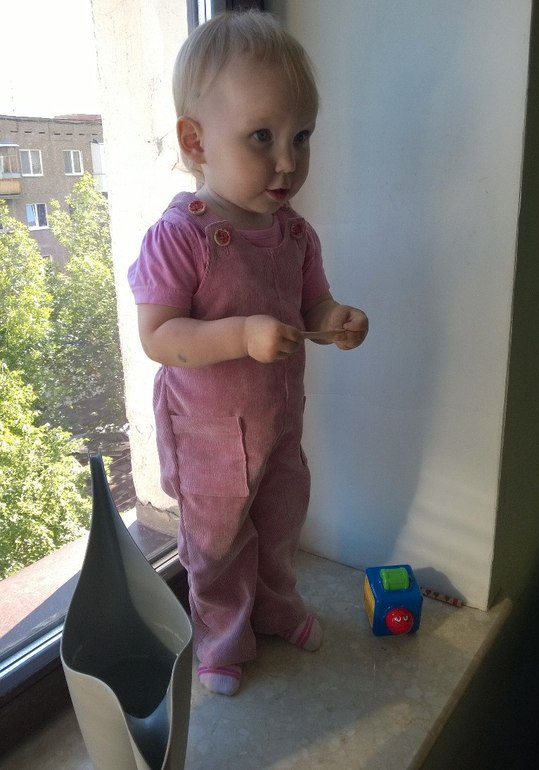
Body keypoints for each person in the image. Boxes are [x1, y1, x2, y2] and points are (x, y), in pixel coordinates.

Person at [128, 10, 368, 696]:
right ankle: (222, 640)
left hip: (278, 424)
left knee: (280, 521)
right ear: (195, 141)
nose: (287, 160)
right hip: (207, 437)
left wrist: (337, 320)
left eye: (301, 136)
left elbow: (313, 305)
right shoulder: (180, 235)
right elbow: (159, 336)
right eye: (262, 136)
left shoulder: (296, 235)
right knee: (216, 541)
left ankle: (276, 608)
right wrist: (240, 335)